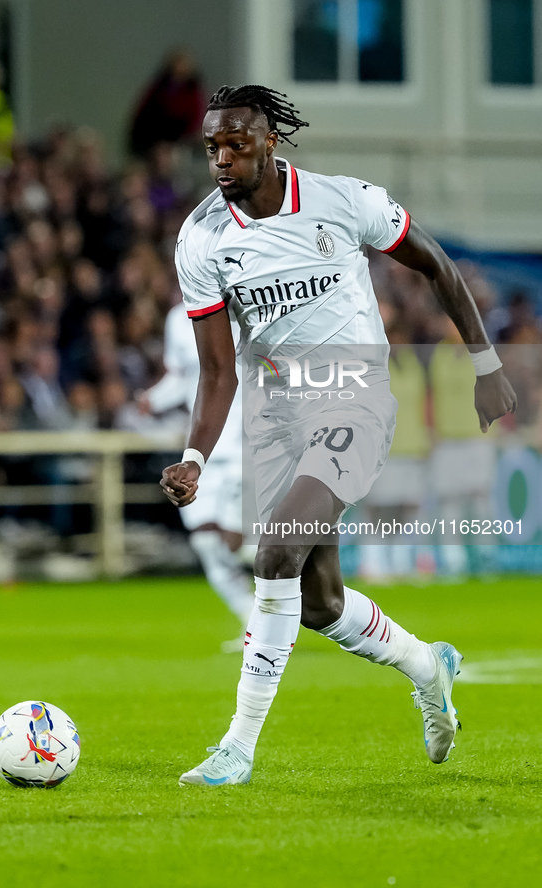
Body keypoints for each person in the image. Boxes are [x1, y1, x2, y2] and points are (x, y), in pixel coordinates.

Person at [160, 84, 517, 786]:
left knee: (275, 552)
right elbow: (216, 371)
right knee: (318, 603)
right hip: (277, 415)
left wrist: (484, 364)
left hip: (353, 400)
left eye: (236, 143)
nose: (222, 158)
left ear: (270, 142)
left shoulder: (342, 199)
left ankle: (236, 747)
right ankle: (426, 664)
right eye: (212, 147)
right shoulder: (201, 238)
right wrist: (194, 457)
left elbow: (437, 266)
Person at [141, 302, 253, 650]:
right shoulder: (177, 318)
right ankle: (254, 624)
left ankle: (294, 571)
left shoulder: (253, 308)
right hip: (202, 453)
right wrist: (153, 399)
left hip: (245, 449)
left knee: (233, 542)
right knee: (206, 543)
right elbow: (181, 376)